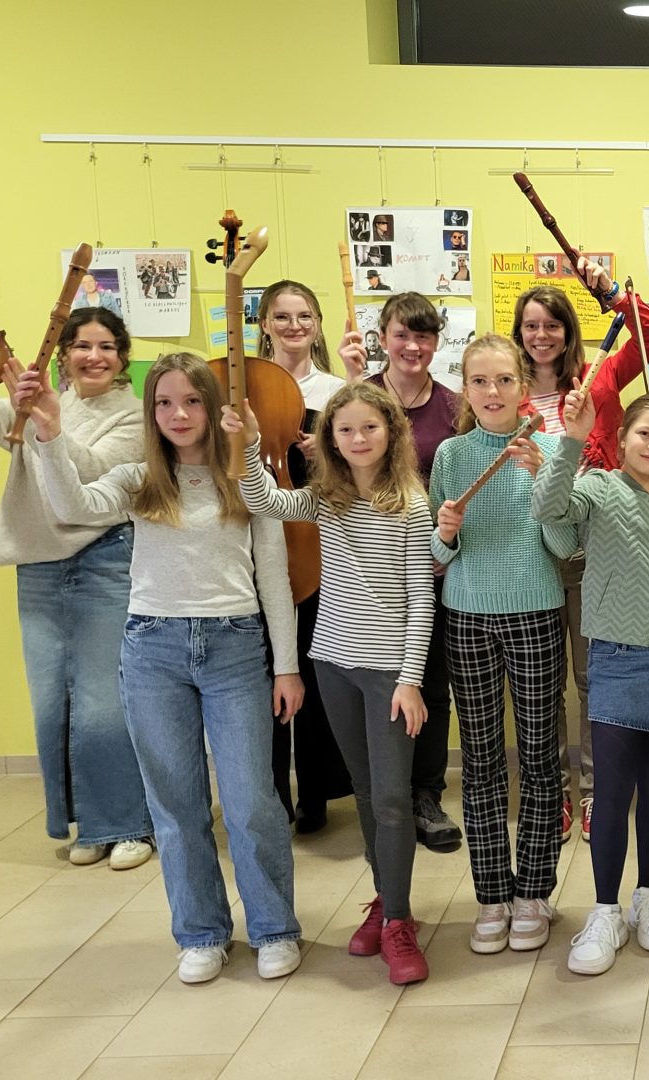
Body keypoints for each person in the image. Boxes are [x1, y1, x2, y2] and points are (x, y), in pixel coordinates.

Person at [20, 353, 303, 984]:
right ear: (151, 412)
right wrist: (50, 432)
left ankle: (274, 927)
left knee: (252, 800)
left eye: (192, 401)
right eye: (164, 403)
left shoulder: (245, 479)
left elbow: (274, 577)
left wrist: (286, 666)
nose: (179, 414)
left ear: (214, 406)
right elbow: (72, 506)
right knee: (175, 805)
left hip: (235, 648)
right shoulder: (138, 479)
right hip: (153, 651)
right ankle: (201, 933)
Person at [0, 298, 154, 870]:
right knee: (52, 704)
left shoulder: (135, 416)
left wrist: (48, 421)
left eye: (107, 347)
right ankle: (90, 824)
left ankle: (130, 824)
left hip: (105, 559)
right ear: (64, 356)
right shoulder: (34, 403)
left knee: (104, 703)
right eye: (82, 346)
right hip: (38, 566)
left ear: (122, 359)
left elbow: (92, 472)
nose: (94, 356)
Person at [224, 381, 434, 984]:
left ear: (391, 432)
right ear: (331, 440)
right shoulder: (326, 497)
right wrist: (250, 444)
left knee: (391, 799)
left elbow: (422, 598)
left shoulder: (411, 505)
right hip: (333, 664)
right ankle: (386, 901)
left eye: (370, 427)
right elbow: (263, 500)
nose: (359, 438)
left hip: (390, 673)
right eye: (346, 430)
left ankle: (399, 921)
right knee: (364, 793)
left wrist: (410, 680)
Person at [533, 390, 649, 977]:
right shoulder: (598, 488)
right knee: (610, 792)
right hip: (615, 658)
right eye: (645, 434)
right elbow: (548, 508)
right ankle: (605, 909)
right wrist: (572, 440)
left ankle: (648, 894)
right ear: (624, 437)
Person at [431, 335, 579, 955]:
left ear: (523, 385)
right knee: (483, 762)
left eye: (504, 380)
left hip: (536, 612)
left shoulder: (550, 448)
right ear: (465, 390)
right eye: (480, 381)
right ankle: (492, 893)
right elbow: (438, 557)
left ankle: (534, 892)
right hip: (467, 616)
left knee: (542, 759)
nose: (493, 392)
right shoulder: (450, 454)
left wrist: (546, 483)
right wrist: (446, 533)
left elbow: (566, 546)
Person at [511, 259, 649, 839]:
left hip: (594, 551)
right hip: (531, 555)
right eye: (531, 325)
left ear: (568, 330)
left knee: (590, 678)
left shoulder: (595, 382)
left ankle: (599, 791)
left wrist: (612, 294)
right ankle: (550, 791)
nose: (541, 335)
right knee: (540, 684)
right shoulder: (508, 395)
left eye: (552, 324)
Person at [338, 293, 463, 856]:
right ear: (382, 338)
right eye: (401, 334)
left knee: (431, 688)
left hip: (435, 568)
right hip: (370, 576)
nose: (413, 346)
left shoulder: (455, 407)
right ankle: (384, 798)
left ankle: (426, 796)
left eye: (424, 335)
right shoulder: (359, 398)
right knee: (379, 689)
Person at [254, 281, 355, 832]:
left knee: (316, 666)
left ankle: (316, 791)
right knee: (266, 666)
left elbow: (363, 462)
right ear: (264, 323)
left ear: (316, 325)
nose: (294, 326)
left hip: (318, 536)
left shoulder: (335, 390)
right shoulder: (244, 384)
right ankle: (270, 792)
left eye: (304, 316)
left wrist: (329, 452)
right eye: (282, 316)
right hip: (258, 529)